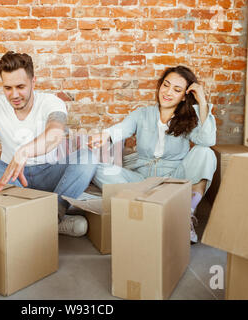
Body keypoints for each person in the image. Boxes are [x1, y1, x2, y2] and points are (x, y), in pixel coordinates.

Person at [0, 51, 98, 237]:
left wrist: (25, 151)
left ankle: (52, 216)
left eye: (20, 86)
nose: (14, 95)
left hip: (48, 176)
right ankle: (45, 222)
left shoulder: (52, 102)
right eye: (7, 88)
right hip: (12, 180)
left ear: (33, 82)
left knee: (87, 157)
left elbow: (55, 134)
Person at [88, 66, 217, 243]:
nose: (168, 92)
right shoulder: (142, 114)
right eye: (166, 85)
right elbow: (123, 128)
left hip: (174, 180)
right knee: (97, 167)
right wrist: (105, 135)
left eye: (177, 90)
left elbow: (208, 140)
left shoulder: (189, 118)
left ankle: (186, 215)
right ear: (160, 85)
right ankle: (152, 208)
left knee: (205, 152)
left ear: (184, 96)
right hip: (141, 180)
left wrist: (202, 101)